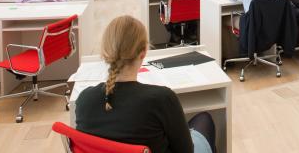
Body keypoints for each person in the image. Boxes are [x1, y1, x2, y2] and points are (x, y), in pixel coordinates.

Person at [75, 16, 216, 153]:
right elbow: (186, 150)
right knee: (204, 120)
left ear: (105, 52)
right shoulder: (162, 99)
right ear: (143, 53)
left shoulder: (83, 99)